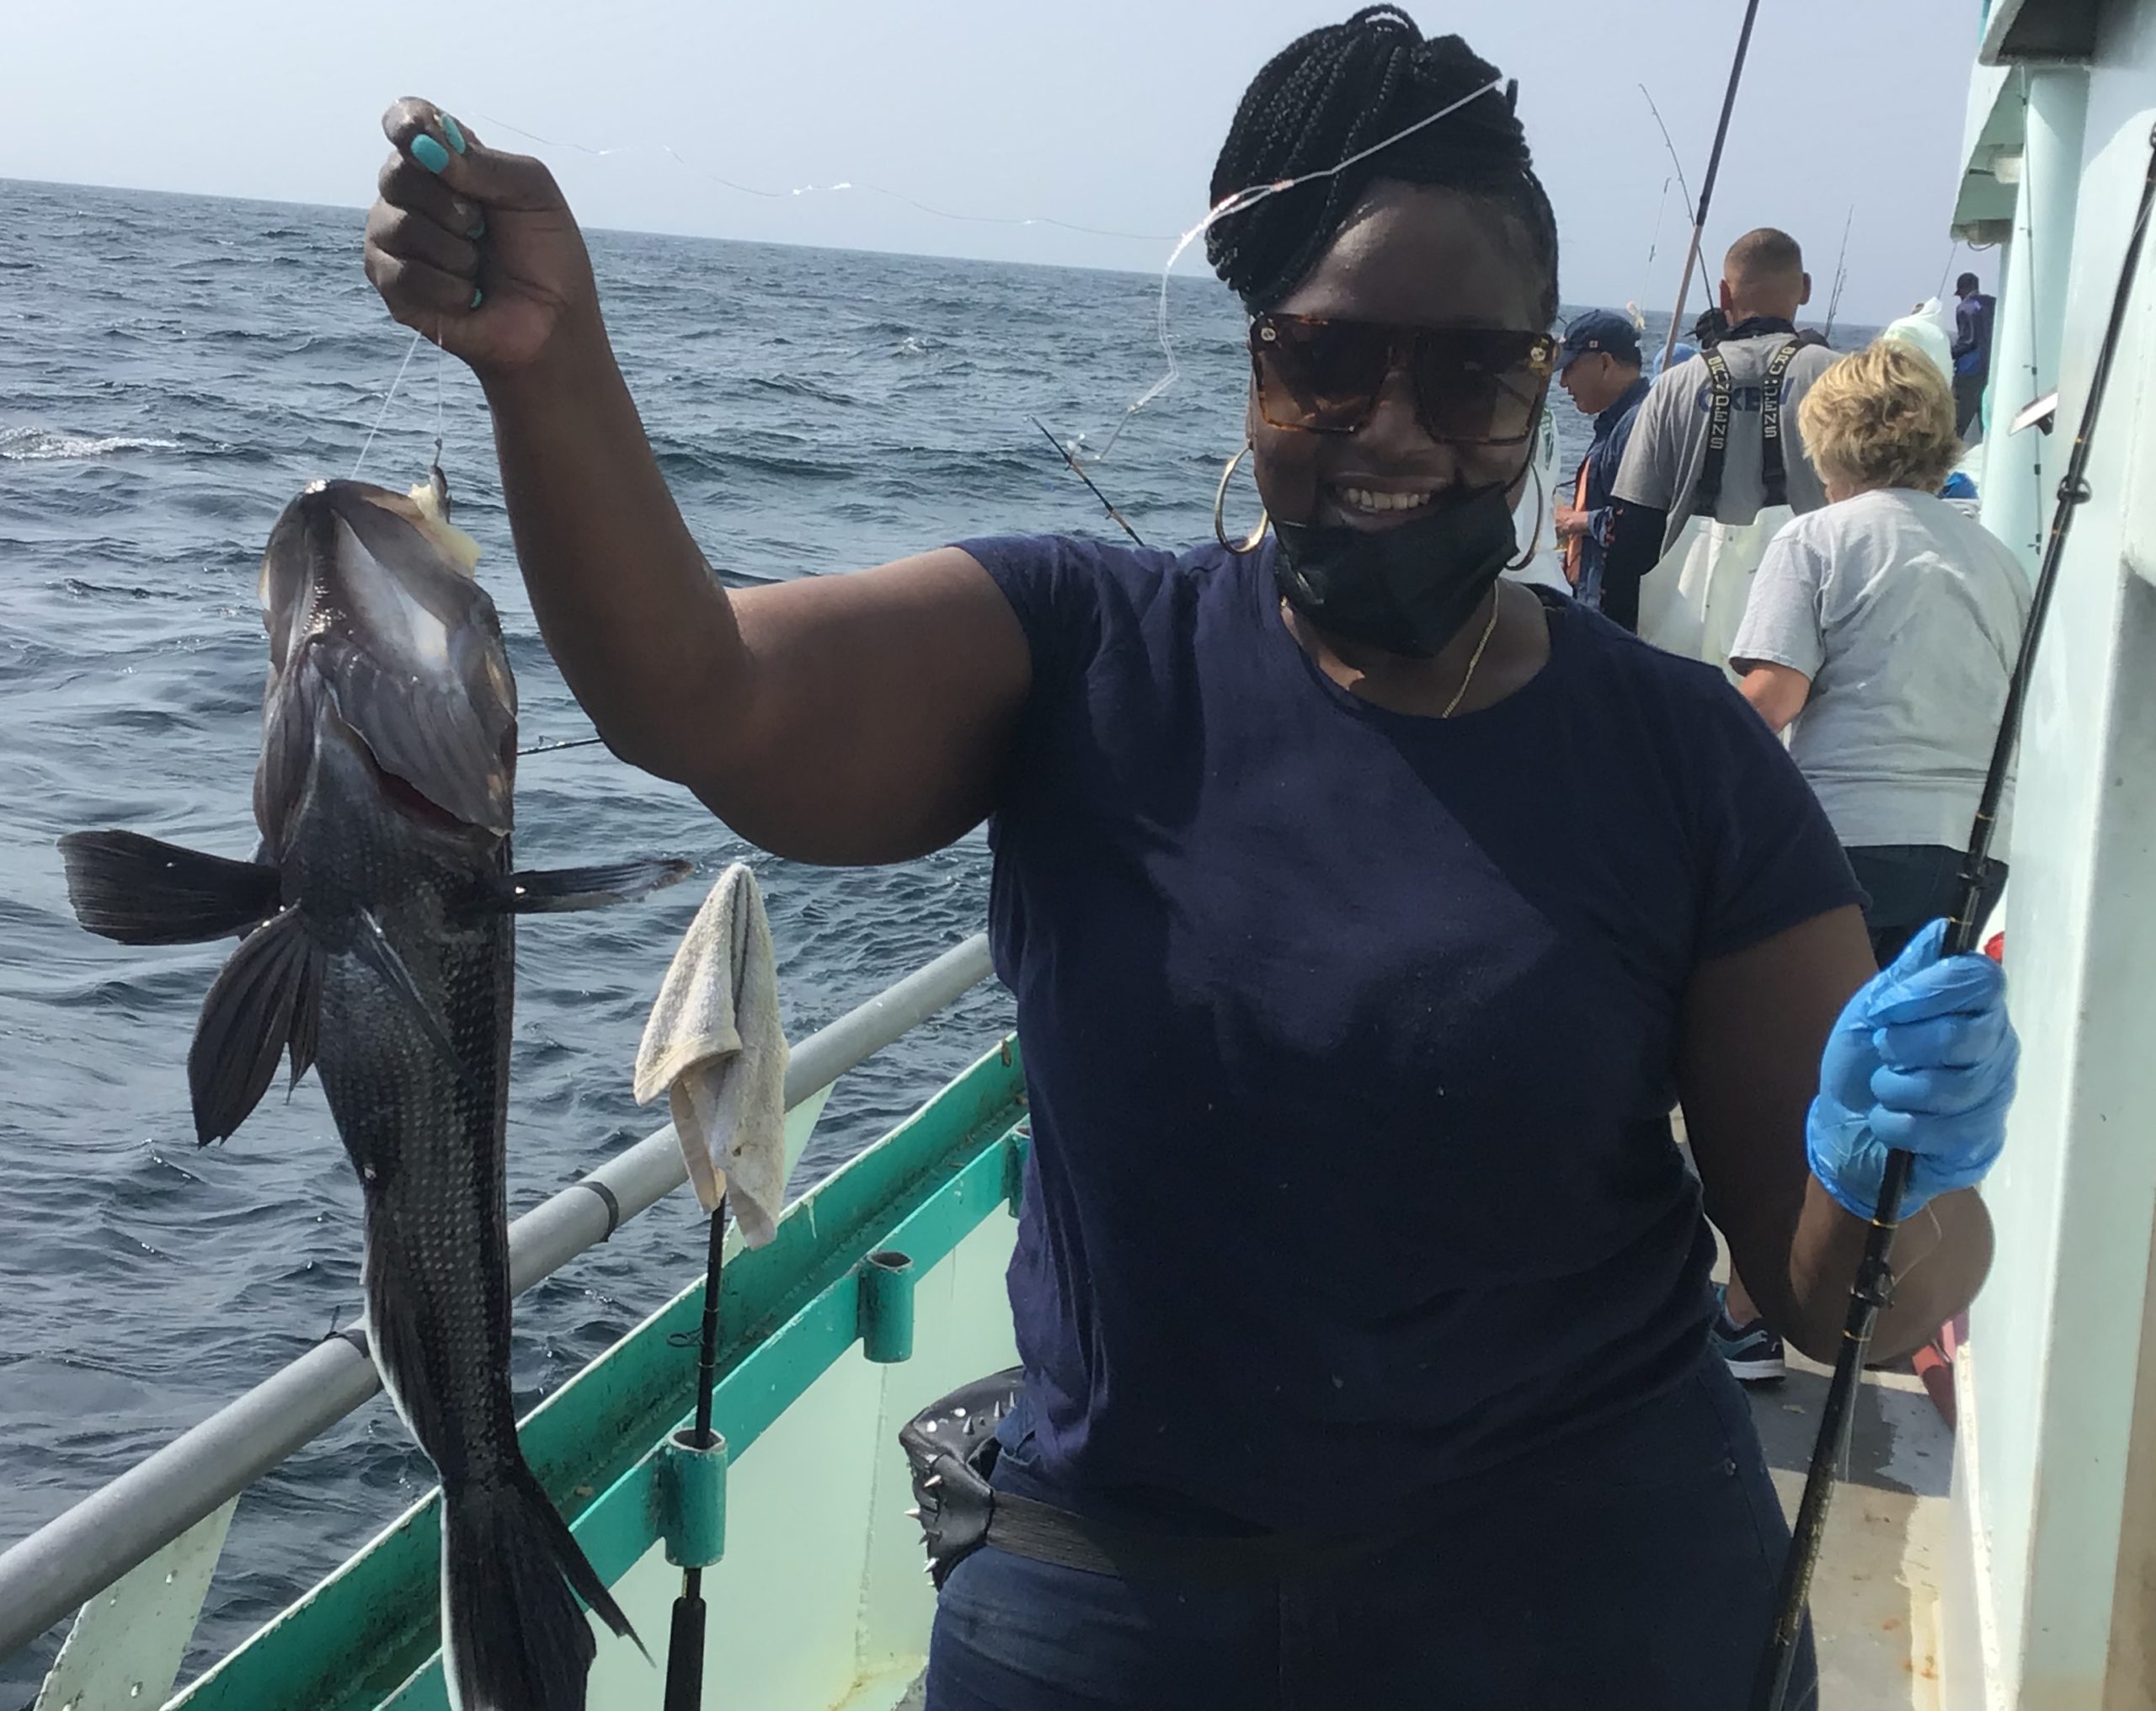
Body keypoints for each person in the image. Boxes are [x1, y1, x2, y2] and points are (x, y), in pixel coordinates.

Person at [363, 12, 2018, 1706]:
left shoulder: (1688, 759)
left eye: (1470, 371)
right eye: (1327, 360)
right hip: (1118, 1614)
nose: (1390, 425)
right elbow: (697, 692)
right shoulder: (1078, 646)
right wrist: (546, 361)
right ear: (1254, 365)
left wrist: (1904, 1167)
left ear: (1538, 378)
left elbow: (1852, 1304)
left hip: (1597, 1614)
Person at [1716, 338, 2029, 1378]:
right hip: (1963, 856)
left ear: (1825, 442)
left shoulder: (1816, 542)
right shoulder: (1999, 558)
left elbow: (1771, 701)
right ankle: (1891, 1303)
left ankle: (1750, 1314)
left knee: (1799, 1082)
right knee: (1911, 1089)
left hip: (1834, 846)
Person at [1607, 228, 1838, 674]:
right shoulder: (1841, 381)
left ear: (1723, 294)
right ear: (1805, 288)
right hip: (1805, 648)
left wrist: (1616, 656)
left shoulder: (1673, 385)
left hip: (1685, 646)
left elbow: (1631, 526)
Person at [1552, 308, 1650, 628]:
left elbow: (1640, 525)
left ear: (1605, 363)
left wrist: (1574, 521)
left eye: (1569, 369)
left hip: (1616, 615)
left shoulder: (1637, 424)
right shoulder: (1616, 423)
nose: (1563, 382)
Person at [1952, 270, 1998, 440]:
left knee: (1956, 425)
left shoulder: (1964, 308)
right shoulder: (1993, 303)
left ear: (1963, 289)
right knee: (1986, 421)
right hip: (1992, 369)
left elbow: (1967, 342)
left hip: (1970, 372)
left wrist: (1948, 353)